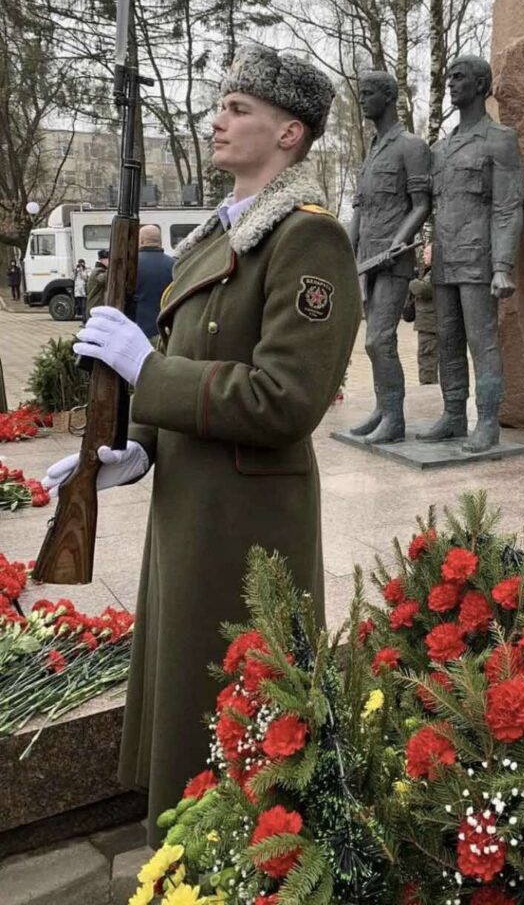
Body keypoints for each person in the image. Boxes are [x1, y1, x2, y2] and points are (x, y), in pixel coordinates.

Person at [43, 45, 361, 846]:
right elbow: (191, 366)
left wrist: (146, 368)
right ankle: (187, 859)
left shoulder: (307, 241)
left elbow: (283, 399)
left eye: (238, 108)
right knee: (189, 686)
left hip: (250, 525)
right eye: (220, 104)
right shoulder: (216, 243)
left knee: (237, 704)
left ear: (290, 133)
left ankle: (240, 861)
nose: (217, 119)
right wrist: (137, 451)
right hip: (191, 509)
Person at [418, 55, 524, 453]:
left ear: (481, 85)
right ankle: (453, 414)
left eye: (459, 77)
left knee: (482, 342)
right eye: (448, 77)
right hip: (444, 259)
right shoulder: (440, 149)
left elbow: (508, 206)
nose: (451, 83)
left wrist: (502, 266)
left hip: (480, 259)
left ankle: (488, 422)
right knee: (447, 340)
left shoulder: (500, 140)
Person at [347, 71, 431, 443]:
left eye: (368, 94)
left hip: (394, 260)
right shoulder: (372, 151)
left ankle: (394, 418)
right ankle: (383, 409)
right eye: (361, 94)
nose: (363, 100)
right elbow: (359, 210)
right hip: (367, 259)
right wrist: (345, 253)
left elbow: (422, 204)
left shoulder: (411, 146)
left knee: (379, 339)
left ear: (387, 97)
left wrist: (398, 242)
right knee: (372, 341)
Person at [134, 224, 174, 339]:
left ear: (141, 241)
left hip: (138, 330)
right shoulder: (174, 265)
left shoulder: (130, 265)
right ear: (160, 241)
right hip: (167, 329)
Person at [409, 242, 438, 384]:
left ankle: (428, 387)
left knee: (427, 357)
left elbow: (424, 289)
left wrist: (411, 281)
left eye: (426, 253)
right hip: (428, 323)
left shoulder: (436, 271)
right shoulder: (429, 271)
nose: (423, 257)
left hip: (430, 324)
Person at [85, 249, 109, 318]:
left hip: (95, 306)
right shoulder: (98, 270)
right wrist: (111, 269)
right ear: (103, 260)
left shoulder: (98, 269)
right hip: (95, 307)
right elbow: (102, 279)